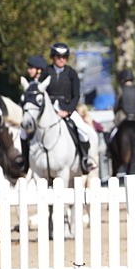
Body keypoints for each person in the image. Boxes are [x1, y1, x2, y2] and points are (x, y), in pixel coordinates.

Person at [44, 42, 94, 172]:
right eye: (58, 56)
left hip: (67, 108)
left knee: (83, 131)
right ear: (53, 57)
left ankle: (85, 159)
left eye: (64, 57)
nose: (61, 59)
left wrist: (67, 111)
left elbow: (76, 95)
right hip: (49, 110)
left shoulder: (71, 73)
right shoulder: (46, 72)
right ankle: (27, 160)